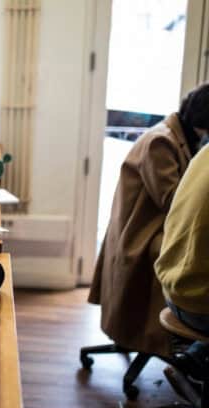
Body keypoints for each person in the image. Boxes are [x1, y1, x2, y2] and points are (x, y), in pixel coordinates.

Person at [89, 83, 209, 357]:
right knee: (187, 259)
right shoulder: (162, 141)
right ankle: (183, 351)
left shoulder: (173, 135)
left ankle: (188, 351)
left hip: (148, 229)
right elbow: (173, 201)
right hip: (141, 237)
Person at [155, 141, 209, 336]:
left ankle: (196, 355)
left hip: (175, 290)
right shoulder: (159, 143)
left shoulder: (205, 150)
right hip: (199, 306)